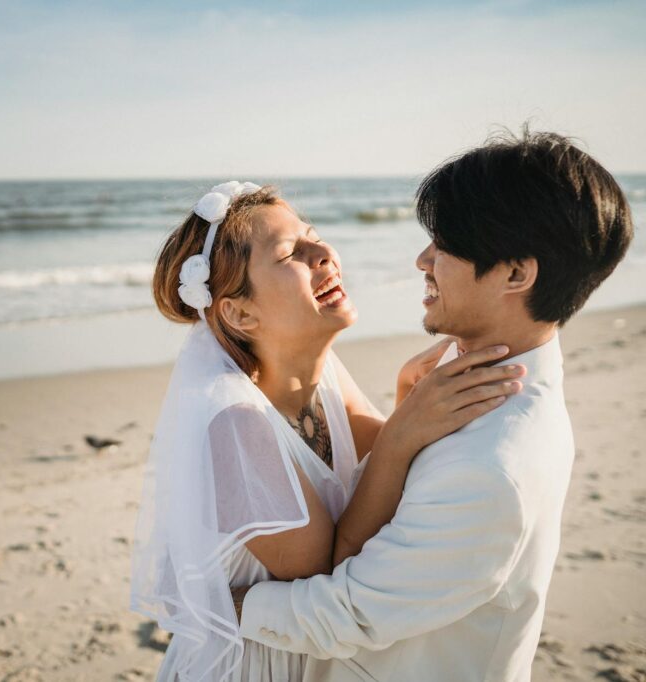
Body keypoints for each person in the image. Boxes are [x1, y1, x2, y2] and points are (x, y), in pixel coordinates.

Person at [234, 129, 633, 681]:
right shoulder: (470, 378)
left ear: (517, 273)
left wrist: (224, 606)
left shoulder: (492, 467)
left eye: (444, 244)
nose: (423, 259)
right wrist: (400, 421)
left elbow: (353, 612)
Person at [130, 181, 525, 681]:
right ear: (239, 312)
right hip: (252, 666)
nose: (324, 254)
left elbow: (387, 483)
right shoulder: (235, 423)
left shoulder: (324, 375)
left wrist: (407, 398)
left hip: (314, 655)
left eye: (314, 235)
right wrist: (403, 428)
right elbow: (329, 570)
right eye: (292, 253)